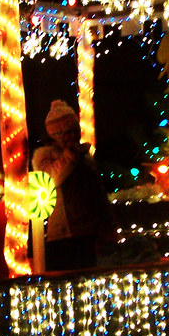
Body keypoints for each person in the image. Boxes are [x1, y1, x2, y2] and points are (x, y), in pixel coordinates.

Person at [32, 100, 114, 271]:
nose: (72, 137)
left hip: (88, 233)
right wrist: (69, 156)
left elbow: (98, 194)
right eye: (66, 133)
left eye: (74, 132)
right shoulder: (45, 156)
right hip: (62, 234)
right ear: (56, 134)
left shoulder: (85, 159)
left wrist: (107, 226)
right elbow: (50, 180)